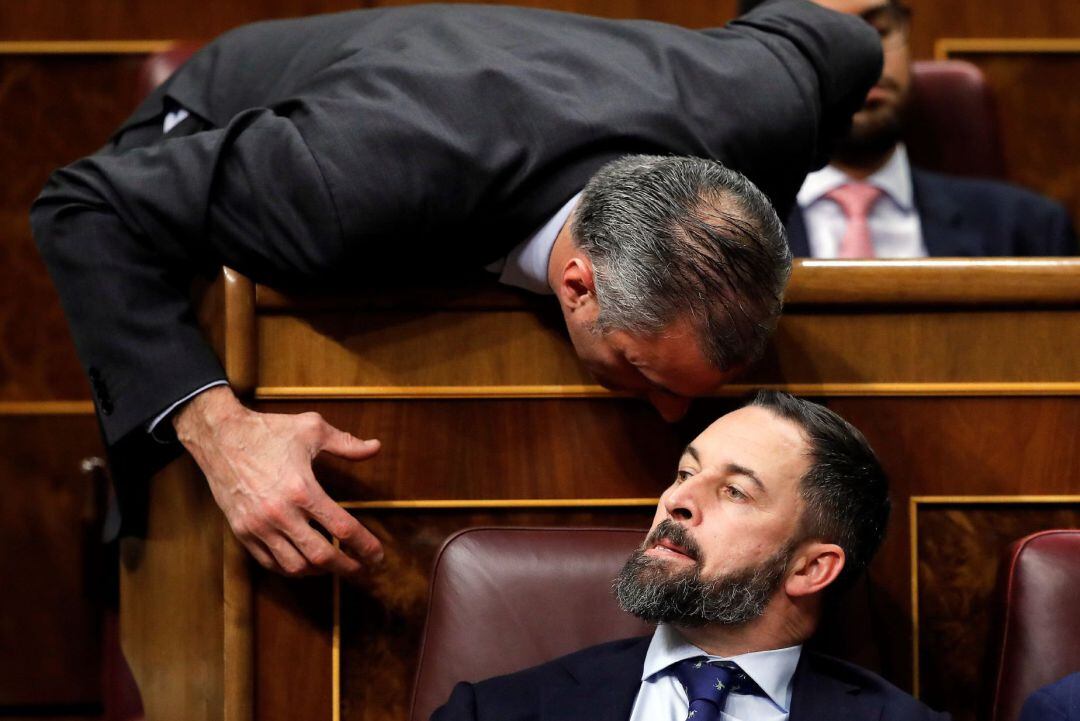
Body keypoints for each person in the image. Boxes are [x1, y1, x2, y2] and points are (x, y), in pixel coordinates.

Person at [31, 1, 882, 581]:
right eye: (645, 372)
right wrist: (219, 432)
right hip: (246, 114)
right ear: (577, 285)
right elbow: (85, 206)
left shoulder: (767, 100)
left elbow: (849, 41)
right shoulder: (345, 187)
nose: (669, 417)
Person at [433, 390, 949, 720]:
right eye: (685, 473)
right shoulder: (492, 711)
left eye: (735, 492)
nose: (676, 501)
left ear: (812, 567)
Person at [759, 0, 1077, 258]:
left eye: (880, 30)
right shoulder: (730, 232)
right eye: (826, 38)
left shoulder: (1030, 232)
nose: (864, 57)